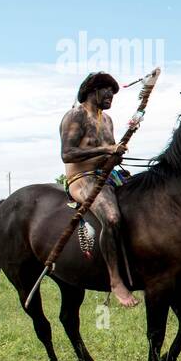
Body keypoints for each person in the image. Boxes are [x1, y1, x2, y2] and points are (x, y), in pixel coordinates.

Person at [60, 71, 138, 307]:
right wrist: (106, 151)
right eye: (108, 92)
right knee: (112, 218)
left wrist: (116, 157)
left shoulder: (107, 120)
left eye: (113, 93)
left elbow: (109, 154)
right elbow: (67, 153)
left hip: (107, 176)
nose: (111, 97)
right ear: (94, 90)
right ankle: (115, 280)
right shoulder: (76, 115)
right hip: (82, 178)